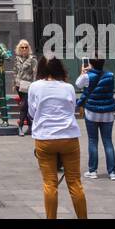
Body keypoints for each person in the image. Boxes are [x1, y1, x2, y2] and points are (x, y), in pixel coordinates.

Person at [28, 56, 87, 219]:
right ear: (60, 69)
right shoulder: (68, 87)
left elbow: (32, 112)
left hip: (45, 138)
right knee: (75, 182)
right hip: (69, 137)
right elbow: (71, 108)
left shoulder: (35, 87)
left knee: (50, 184)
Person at [75, 58, 115, 181]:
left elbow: (78, 84)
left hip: (92, 112)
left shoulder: (87, 76)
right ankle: (112, 172)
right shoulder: (111, 75)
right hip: (108, 113)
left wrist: (83, 72)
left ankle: (92, 170)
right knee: (108, 142)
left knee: (93, 141)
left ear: (91, 64)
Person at [13, 39, 36, 135]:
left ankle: (21, 126)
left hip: (28, 85)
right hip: (19, 85)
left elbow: (35, 73)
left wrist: (34, 85)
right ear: (19, 48)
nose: (24, 49)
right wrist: (14, 84)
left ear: (28, 48)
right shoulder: (17, 59)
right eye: (22, 47)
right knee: (25, 105)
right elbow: (15, 72)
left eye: (26, 47)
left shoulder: (32, 59)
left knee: (24, 105)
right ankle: (30, 127)